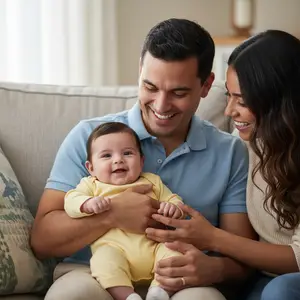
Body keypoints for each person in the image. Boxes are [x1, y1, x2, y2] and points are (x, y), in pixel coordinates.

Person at [31, 18, 255, 300]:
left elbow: (243, 257)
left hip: (180, 278)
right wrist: (112, 214)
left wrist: (216, 269)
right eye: (150, 87)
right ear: (140, 72)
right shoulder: (90, 138)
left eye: (178, 92)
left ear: (206, 85)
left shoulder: (230, 153)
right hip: (93, 271)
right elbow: (41, 240)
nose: (161, 106)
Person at [145, 30, 300, 300]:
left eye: (242, 100)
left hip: (284, 283)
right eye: (229, 96)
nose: (228, 111)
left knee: (280, 290)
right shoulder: (246, 146)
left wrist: (212, 238)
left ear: (279, 99)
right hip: (263, 277)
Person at [64, 121, 185, 300]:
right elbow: (70, 200)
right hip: (115, 250)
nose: (118, 160)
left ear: (141, 161)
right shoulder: (92, 185)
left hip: (155, 248)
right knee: (102, 261)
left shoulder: (152, 181)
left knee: (175, 252)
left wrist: (173, 207)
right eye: (106, 155)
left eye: (127, 153)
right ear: (91, 168)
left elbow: (173, 198)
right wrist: (87, 203)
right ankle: (128, 296)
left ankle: (159, 291)